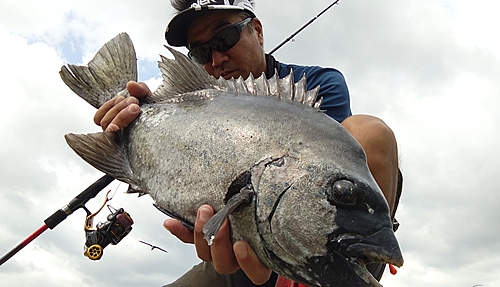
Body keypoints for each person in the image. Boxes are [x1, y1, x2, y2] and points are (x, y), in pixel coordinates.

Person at [94, 0, 402, 286]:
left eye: (224, 38)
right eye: (200, 53)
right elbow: (197, 207)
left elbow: (319, 185)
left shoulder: (318, 86)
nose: (216, 59)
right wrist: (130, 122)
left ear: (256, 30)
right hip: (236, 254)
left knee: (369, 132)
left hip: (311, 244)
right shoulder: (190, 106)